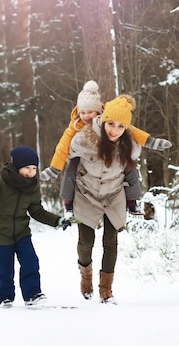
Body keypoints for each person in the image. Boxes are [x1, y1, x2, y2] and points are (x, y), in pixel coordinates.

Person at [40, 80, 171, 216]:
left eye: (90, 112)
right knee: (72, 168)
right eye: (82, 112)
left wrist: (150, 141)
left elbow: (131, 129)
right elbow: (62, 146)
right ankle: (68, 204)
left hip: (109, 154)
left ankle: (132, 201)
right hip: (86, 157)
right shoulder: (76, 125)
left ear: (98, 110)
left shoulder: (108, 120)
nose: (86, 116)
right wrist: (54, 168)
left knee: (129, 165)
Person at [0, 146, 76, 308]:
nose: (31, 172)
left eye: (34, 168)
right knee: (4, 269)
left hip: (22, 232)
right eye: (27, 168)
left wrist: (58, 221)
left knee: (31, 261)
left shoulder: (32, 187)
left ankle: (32, 294)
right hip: (1, 233)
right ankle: (5, 297)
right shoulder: (2, 182)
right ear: (17, 167)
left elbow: (37, 211)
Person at [68, 95, 142, 303]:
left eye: (120, 126)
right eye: (111, 123)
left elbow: (131, 174)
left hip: (113, 195)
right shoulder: (85, 139)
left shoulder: (126, 145)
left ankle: (106, 290)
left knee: (111, 242)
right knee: (85, 243)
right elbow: (70, 168)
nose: (114, 130)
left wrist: (133, 200)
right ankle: (86, 275)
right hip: (86, 194)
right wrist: (67, 200)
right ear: (103, 119)